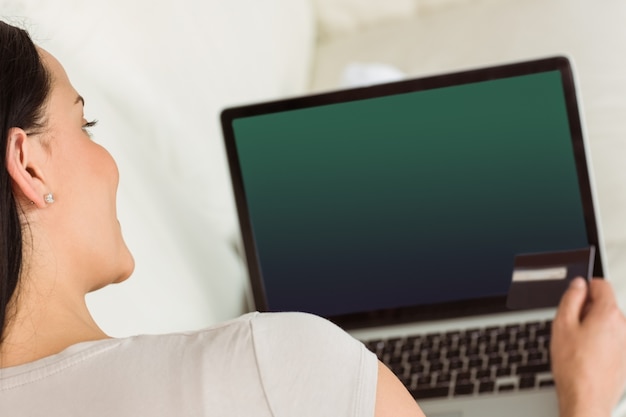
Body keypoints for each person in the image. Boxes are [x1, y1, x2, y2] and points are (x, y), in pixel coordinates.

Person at [0, 20, 625, 417]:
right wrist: (587, 399)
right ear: (29, 166)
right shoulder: (273, 361)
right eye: (85, 125)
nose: (106, 160)